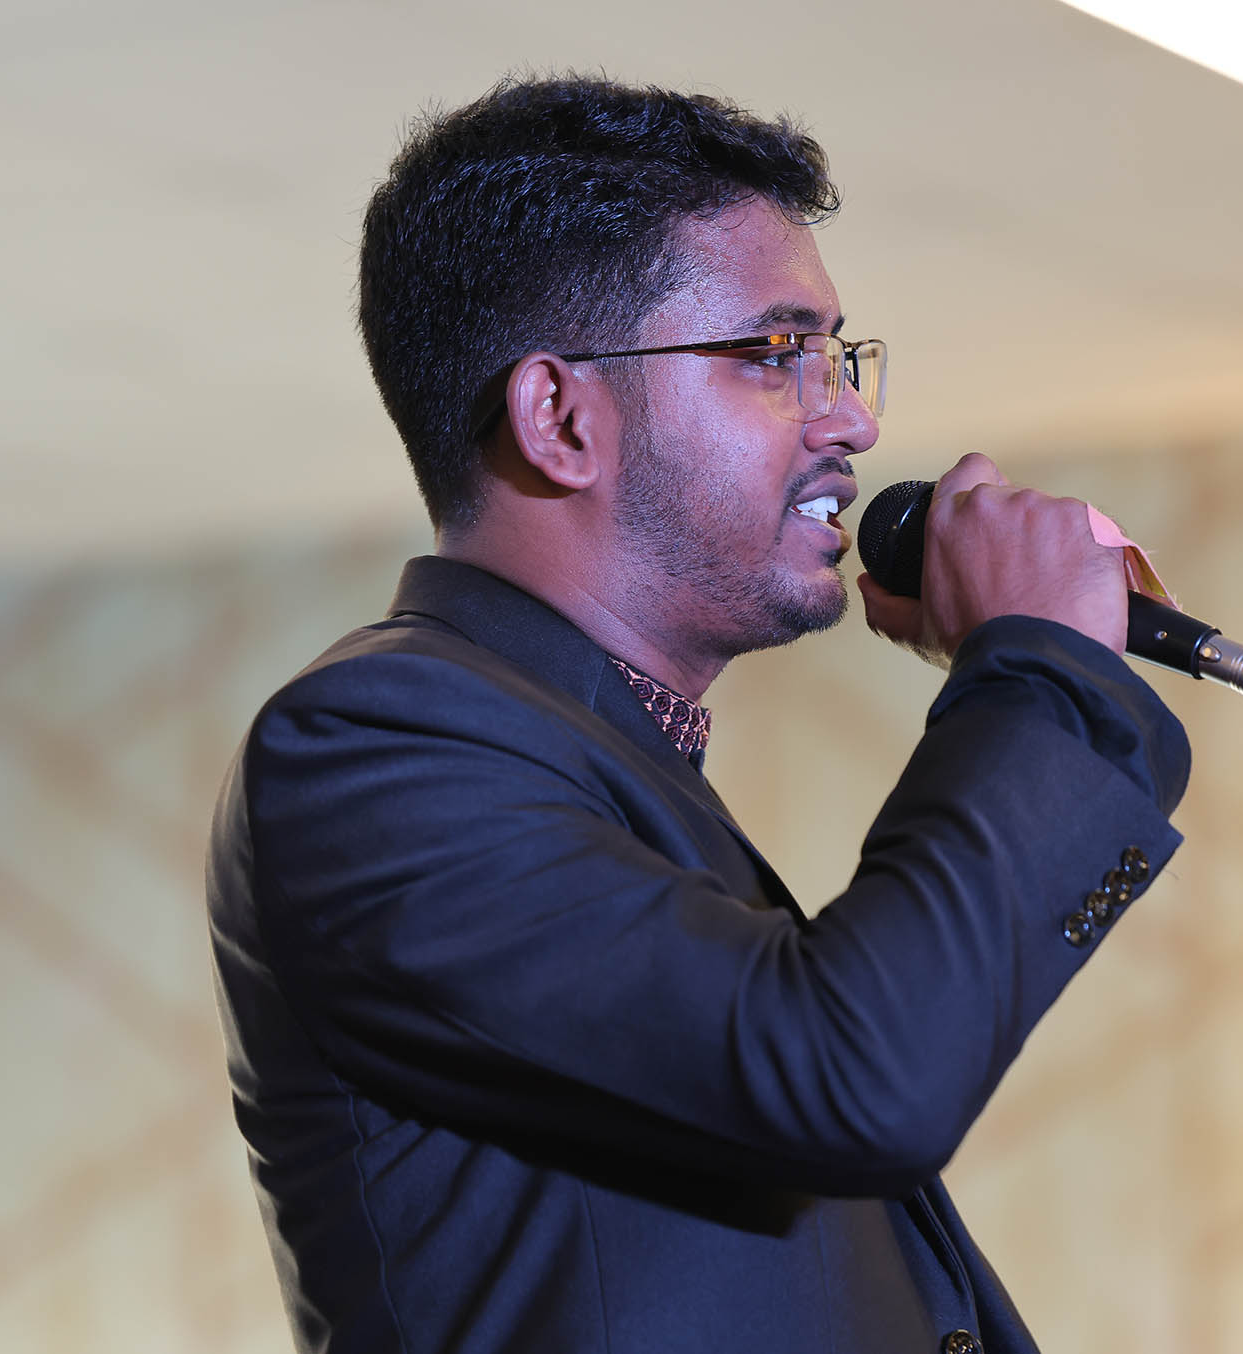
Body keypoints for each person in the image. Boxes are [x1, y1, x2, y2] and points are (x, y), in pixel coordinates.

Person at [207, 75, 1190, 1354]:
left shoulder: (611, 758)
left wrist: (1068, 686)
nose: (853, 418)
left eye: (838, 356)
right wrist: (1041, 673)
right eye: (776, 354)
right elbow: (852, 1077)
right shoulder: (374, 745)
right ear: (560, 417)